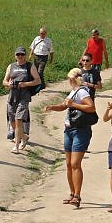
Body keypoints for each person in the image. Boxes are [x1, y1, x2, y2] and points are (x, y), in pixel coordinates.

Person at [45, 69, 97, 209]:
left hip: (81, 130)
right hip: (69, 130)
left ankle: (77, 195)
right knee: (69, 164)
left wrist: (73, 104)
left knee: (75, 164)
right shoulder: (74, 91)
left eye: (69, 78)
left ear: (72, 79)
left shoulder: (82, 92)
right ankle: (72, 193)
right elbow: (64, 106)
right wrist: (52, 107)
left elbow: (91, 107)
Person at [3, 46, 41, 153]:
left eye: (22, 54)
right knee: (12, 122)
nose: (20, 56)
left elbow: (37, 81)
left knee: (18, 119)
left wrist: (25, 84)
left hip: (24, 96)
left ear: (25, 55)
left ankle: (17, 145)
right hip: (12, 96)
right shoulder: (11, 66)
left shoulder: (29, 66)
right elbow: (4, 81)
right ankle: (24, 137)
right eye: (18, 54)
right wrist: (8, 84)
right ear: (15, 55)